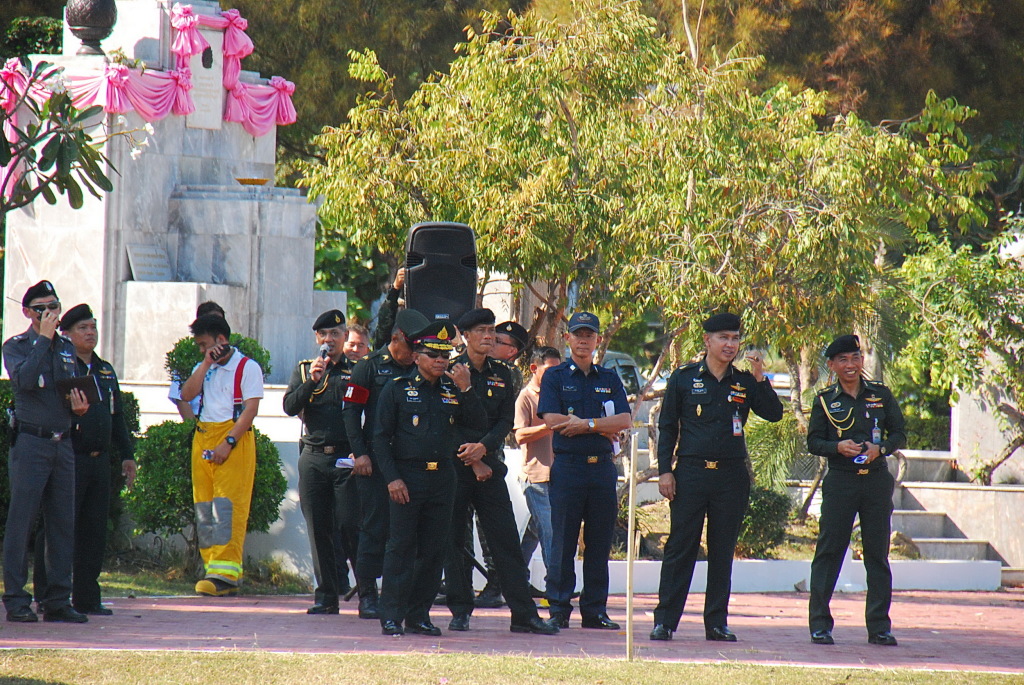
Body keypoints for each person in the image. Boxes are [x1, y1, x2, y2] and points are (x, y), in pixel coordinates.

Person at [649, 312, 783, 642]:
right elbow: (667, 427)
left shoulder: (743, 381)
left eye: (735, 338)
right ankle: (665, 620)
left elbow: (774, 413)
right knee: (681, 547)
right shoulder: (683, 379)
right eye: (723, 337)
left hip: (730, 476)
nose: (730, 344)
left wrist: (760, 377)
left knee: (723, 551)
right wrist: (665, 470)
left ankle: (716, 623)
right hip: (692, 473)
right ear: (707, 341)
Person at [443, 309, 558, 635]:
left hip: (490, 468)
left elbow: (504, 421)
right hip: (457, 466)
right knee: (455, 541)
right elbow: (446, 423)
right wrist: (472, 457)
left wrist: (483, 450)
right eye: (481, 330)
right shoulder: (450, 371)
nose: (489, 336)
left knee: (505, 540)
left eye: (491, 330)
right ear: (465, 335)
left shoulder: (504, 373)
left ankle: (523, 614)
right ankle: (460, 610)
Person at [373, 321, 487, 636]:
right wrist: (392, 479)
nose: (440, 360)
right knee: (401, 548)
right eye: (432, 354)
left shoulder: (453, 389)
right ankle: (392, 615)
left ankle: (418, 615)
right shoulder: (396, 389)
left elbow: (478, 424)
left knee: (433, 549)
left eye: (445, 354)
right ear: (416, 357)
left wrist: (467, 389)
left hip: (443, 478)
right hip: (407, 477)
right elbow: (380, 439)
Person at [32, 304, 137, 617]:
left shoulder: (104, 370)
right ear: (66, 333)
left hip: (99, 461)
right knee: (57, 527)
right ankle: (48, 595)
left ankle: (87, 597)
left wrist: (127, 453)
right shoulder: (64, 366)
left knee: (93, 530)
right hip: (68, 457)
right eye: (82, 328)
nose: (90, 333)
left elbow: (117, 417)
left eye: (93, 327)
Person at [807, 334, 907, 647]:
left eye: (855, 358)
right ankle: (820, 625)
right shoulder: (825, 399)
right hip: (841, 479)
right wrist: (837, 446)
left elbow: (900, 433)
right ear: (832, 365)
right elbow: (813, 442)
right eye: (843, 360)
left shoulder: (880, 394)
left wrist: (883, 448)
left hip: (876, 478)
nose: (850, 365)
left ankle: (879, 627)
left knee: (877, 554)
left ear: (861, 361)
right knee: (829, 551)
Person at [2, 280, 90, 623]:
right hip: (31, 443)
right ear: (28, 313)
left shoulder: (66, 349)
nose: (50, 313)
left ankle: (56, 599)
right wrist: (43, 339)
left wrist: (78, 409)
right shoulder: (19, 346)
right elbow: (23, 381)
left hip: (63, 443)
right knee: (21, 523)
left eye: (54, 306)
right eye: (42, 308)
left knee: (61, 524)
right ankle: (16, 599)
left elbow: (67, 392)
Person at [538, 311, 631, 630]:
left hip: (601, 470)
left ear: (597, 340)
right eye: (577, 334)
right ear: (567, 339)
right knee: (562, 540)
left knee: (599, 541)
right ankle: (559, 609)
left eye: (589, 335)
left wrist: (586, 425)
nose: (583, 340)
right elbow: (551, 419)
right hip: (568, 468)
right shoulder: (555, 377)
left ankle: (595, 611)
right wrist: (599, 429)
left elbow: (624, 421)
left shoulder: (609, 378)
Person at [343, 308, 430, 619]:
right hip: (375, 459)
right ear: (395, 339)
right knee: (374, 526)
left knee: (406, 531)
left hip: (409, 460)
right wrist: (360, 453)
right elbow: (351, 413)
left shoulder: (420, 368)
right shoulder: (369, 367)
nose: (416, 354)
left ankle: (401, 593)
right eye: (412, 347)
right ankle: (367, 593)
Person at [179, 314, 263, 596]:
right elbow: (187, 394)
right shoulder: (205, 367)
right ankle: (211, 567)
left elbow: (250, 411)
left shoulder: (247, 368)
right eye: (200, 347)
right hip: (203, 436)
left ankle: (225, 573)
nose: (202, 350)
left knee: (227, 506)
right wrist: (205, 364)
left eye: (205, 345)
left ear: (222, 341)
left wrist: (228, 443)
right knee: (204, 506)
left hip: (233, 439)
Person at [283, 309, 358, 615]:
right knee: (319, 529)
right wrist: (312, 381)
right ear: (317, 338)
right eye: (324, 335)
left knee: (351, 526)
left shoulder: (358, 370)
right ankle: (326, 595)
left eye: (335, 335)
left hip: (346, 458)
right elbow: (289, 406)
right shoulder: (305, 370)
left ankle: (367, 593)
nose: (329, 340)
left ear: (345, 338)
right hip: (313, 457)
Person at [515, 346, 562, 596]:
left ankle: (513, 579)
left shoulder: (560, 395)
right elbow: (519, 435)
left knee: (536, 530)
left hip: (559, 476)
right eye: (550, 370)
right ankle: (555, 588)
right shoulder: (526, 396)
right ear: (534, 369)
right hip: (535, 477)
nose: (556, 375)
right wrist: (548, 425)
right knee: (550, 533)